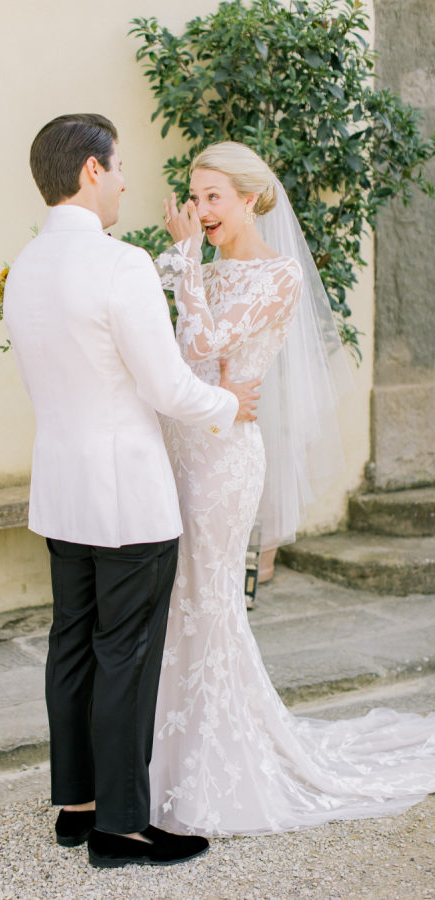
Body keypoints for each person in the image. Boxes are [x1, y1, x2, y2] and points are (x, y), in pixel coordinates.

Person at [149, 141, 435, 837]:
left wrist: (185, 264)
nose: (200, 209)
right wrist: (188, 271)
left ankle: (218, 762)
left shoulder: (278, 276)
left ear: (250, 199)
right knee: (177, 597)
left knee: (211, 598)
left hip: (224, 459)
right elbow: (181, 355)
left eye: (214, 196)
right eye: (195, 195)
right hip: (179, 447)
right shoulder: (201, 267)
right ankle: (164, 755)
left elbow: (206, 341)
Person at [3, 116, 261, 868]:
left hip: (60, 488)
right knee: (125, 655)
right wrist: (229, 404)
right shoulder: (120, 265)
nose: (123, 182)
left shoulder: (25, 265)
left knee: (71, 646)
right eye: (117, 168)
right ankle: (121, 826)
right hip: (127, 495)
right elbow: (167, 386)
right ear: (92, 169)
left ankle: (76, 807)